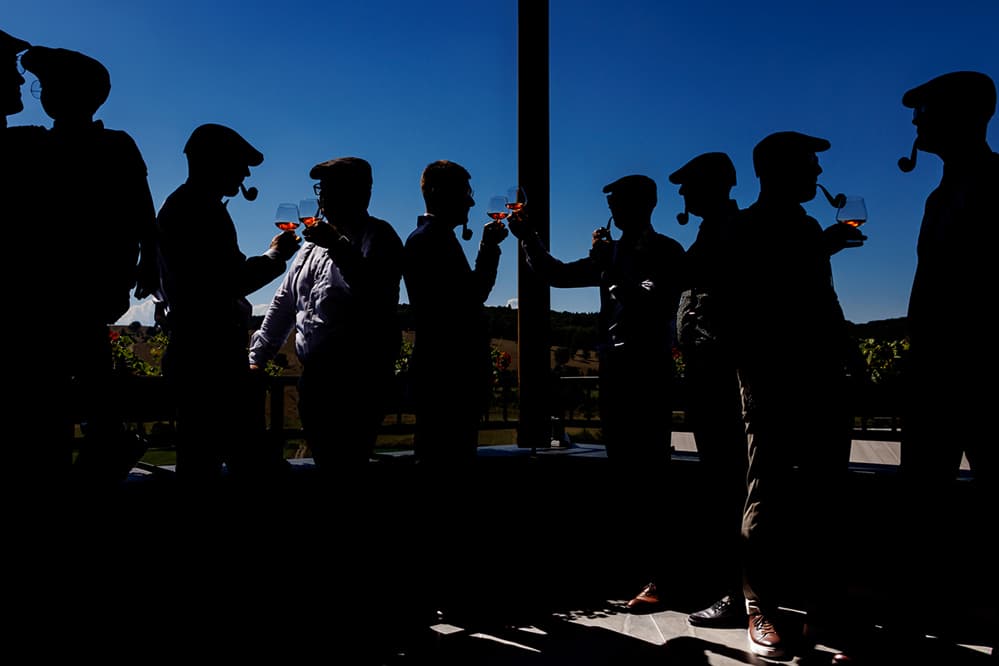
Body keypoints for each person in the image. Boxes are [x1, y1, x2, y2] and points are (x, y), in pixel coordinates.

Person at [507, 174, 686, 612]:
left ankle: (662, 578)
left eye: (620, 202)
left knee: (652, 476)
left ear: (645, 204)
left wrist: (607, 268)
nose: (614, 211)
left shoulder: (666, 253)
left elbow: (656, 305)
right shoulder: (614, 253)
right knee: (627, 474)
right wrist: (527, 236)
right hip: (615, 372)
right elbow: (555, 274)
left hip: (649, 374)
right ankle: (637, 571)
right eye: (613, 203)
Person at [728, 131, 865, 660]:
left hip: (824, 378)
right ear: (776, 170)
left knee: (827, 498)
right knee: (768, 494)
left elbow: (821, 296)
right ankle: (759, 607)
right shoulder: (745, 229)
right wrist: (816, 248)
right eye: (808, 164)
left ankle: (824, 614)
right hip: (772, 382)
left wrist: (848, 350)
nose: (817, 173)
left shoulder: (807, 225)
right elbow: (751, 301)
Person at [20, 45, 160, 486]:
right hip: (85, 290)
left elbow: (144, 216)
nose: (42, 93)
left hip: (66, 291)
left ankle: (97, 448)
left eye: (49, 85)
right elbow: (145, 218)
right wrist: (147, 266)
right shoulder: (45, 144)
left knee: (63, 380)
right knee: (86, 370)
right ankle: (104, 443)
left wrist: (147, 264)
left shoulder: (49, 146)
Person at [894, 71, 998, 651]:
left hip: (979, 376)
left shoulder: (996, 182)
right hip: (935, 377)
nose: (915, 121)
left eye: (925, 110)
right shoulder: (941, 192)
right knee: (920, 508)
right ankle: (914, 628)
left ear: (961, 116)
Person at [156, 123, 300, 487]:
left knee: (203, 456)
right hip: (209, 357)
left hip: (199, 354)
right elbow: (228, 281)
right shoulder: (198, 210)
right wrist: (275, 256)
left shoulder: (186, 206)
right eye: (239, 163)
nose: (245, 174)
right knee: (227, 460)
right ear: (214, 163)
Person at [248, 156, 403, 473]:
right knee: (326, 463)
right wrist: (257, 357)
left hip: (359, 380)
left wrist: (337, 245)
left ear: (361, 193)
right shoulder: (309, 247)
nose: (322, 197)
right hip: (315, 380)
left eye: (332, 189)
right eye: (321, 189)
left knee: (347, 464)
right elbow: (284, 304)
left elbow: (374, 292)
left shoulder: (379, 236)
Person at [667, 151, 749, 627]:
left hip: (722, 385)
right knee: (724, 487)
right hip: (709, 382)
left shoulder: (726, 233)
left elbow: (690, 282)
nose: (683, 194)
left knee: (729, 488)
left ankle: (736, 594)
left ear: (715, 185)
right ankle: (734, 590)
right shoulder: (711, 231)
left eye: (689, 185)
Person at [402, 159, 509, 465]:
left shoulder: (431, 237)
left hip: (442, 380)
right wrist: (489, 247)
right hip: (447, 382)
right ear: (438, 192)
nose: (472, 200)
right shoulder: (429, 241)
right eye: (465, 191)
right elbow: (472, 298)